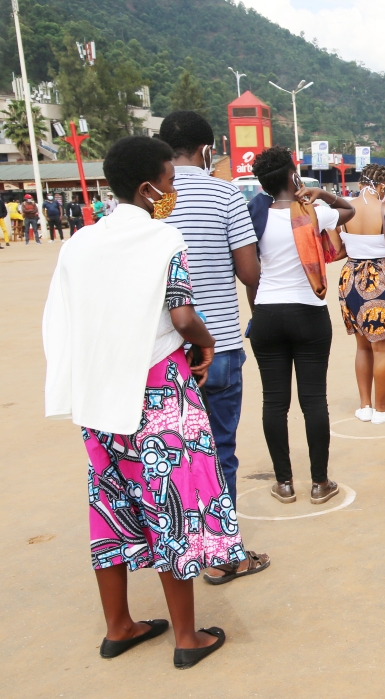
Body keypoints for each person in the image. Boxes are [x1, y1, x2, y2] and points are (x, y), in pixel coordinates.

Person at [43, 136, 241, 668]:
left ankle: (119, 626)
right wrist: (206, 340)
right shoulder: (162, 238)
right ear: (146, 187)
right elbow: (181, 314)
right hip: (156, 389)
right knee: (170, 502)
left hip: (98, 395)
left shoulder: (78, 243)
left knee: (109, 506)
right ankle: (186, 637)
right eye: (169, 183)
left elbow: (65, 321)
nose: (171, 193)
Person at [158, 110, 271, 585]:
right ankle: (224, 554)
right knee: (220, 449)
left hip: (165, 348)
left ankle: (178, 546)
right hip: (220, 342)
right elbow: (249, 273)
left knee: (173, 452)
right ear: (207, 150)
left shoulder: (156, 196)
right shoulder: (226, 193)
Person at [248, 146, 354, 505]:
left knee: (274, 402)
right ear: (294, 177)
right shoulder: (312, 212)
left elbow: (250, 273)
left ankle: (285, 482)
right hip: (308, 311)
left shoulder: (254, 214)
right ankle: (320, 483)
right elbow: (348, 211)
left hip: (266, 312)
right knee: (313, 400)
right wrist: (323, 192)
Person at [337, 162, 385, 424]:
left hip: (351, 280)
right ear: (383, 186)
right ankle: (381, 410)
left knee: (362, 346)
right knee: (383, 350)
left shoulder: (342, 212)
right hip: (381, 281)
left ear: (360, 184)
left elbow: (337, 251)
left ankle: (365, 406)